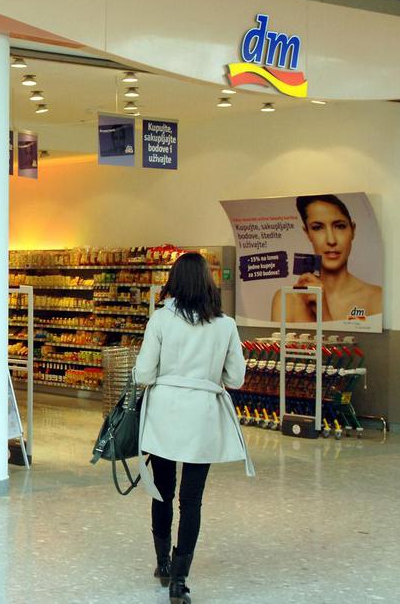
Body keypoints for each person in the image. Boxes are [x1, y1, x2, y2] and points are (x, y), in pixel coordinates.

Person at [134, 252, 255, 604]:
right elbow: (236, 377)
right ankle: (180, 581)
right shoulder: (225, 325)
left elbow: (144, 373)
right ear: (208, 283)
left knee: (162, 490)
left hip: (164, 416)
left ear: (174, 281)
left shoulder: (160, 319)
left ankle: (162, 564)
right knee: (192, 500)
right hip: (202, 419)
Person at [271, 194, 383, 322]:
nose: (331, 240)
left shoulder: (376, 298)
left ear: (353, 230)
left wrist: (324, 314)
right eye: (317, 228)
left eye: (340, 226)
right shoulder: (287, 300)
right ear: (307, 233)